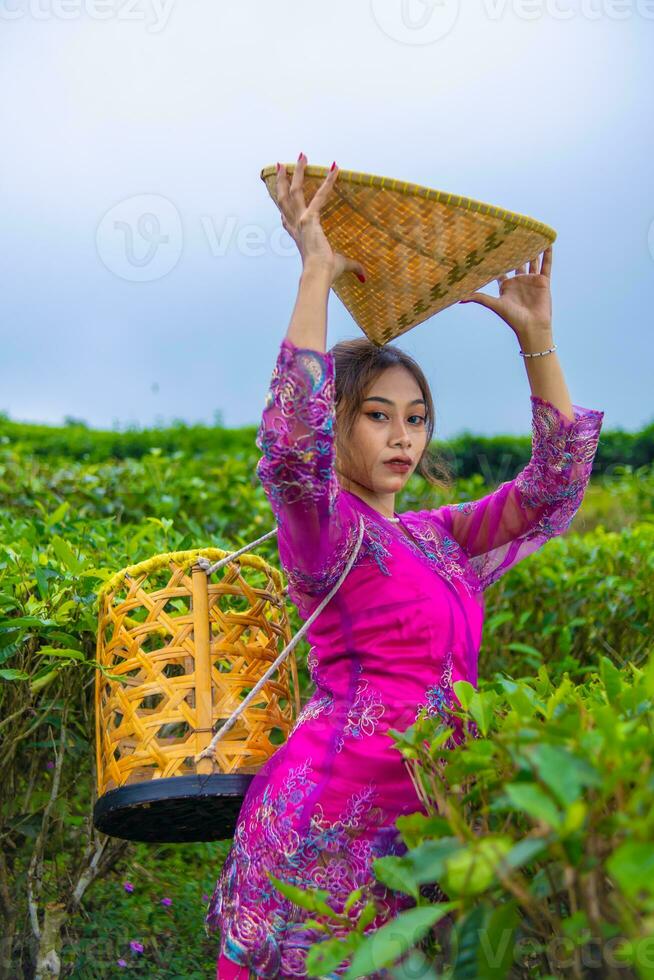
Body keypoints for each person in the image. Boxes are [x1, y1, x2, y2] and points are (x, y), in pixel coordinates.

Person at [206, 153, 605, 979]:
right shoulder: (326, 527)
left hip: (417, 835)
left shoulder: (440, 537)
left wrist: (538, 340)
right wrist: (317, 268)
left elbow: (556, 484)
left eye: (416, 418)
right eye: (377, 416)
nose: (402, 437)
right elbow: (289, 449)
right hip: (323, 823)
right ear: (340, 424)